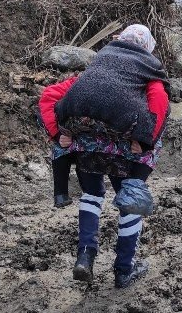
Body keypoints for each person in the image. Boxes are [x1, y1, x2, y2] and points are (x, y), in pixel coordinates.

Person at [42, 24, 170, 288]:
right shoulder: (148, 70)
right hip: (125, 149)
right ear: (147, 47)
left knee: (91, 195)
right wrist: (145, 143)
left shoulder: (97, 67)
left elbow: (49, 95)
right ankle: (124, 269)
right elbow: (159, 102)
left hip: (85, 142)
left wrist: (57, 135)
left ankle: (85, 258)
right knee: (130, 199)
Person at [39, 76, 80, 208]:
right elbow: (48, 98)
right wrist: (57, 134)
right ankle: (61, 193)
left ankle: (90, 192)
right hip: (69, 133)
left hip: (91, 138)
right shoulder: (76, 83)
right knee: (61, 148)